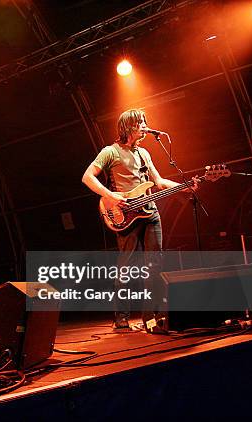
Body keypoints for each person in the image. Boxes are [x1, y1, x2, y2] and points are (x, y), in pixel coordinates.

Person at [82, 108, 195, 330]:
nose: (145, 125)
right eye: (140, 122)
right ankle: (121, 318)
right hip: (125, 215)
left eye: (145, 121)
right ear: (128, 127)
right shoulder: (110, 152)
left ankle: (151, 317)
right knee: (127, 268)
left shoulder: (144, 154)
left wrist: (185, 187)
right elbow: (87, 177)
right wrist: (110, 195)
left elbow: (159, 182)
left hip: (150, 213)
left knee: (155, 265)